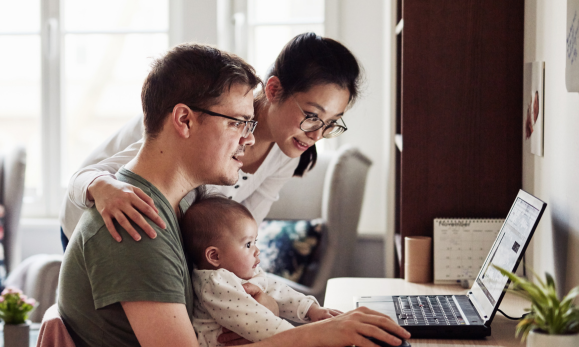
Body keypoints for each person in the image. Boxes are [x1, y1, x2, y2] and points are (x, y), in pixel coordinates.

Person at [58, 43, 410, 347]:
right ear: (185, 120)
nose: (251, 137)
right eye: (239, 123)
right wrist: (312, 335)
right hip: (100, 212)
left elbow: (239, 247)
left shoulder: (190, 202)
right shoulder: (138, 219)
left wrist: (263, 306)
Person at [59, 32, 362, 249]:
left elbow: (242, 228)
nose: (317, 135)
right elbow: (82, 178)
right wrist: (103, 187)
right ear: (273, 89)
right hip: (88, 216)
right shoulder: (206, 121)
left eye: (331, 124)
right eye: (311, 115)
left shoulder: (286, 151)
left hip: (153, 229)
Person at [182, 194, 341, 347]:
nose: (257, 251)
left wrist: (312, 310)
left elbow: (278, 290)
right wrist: (305, 341)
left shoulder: (244, 274)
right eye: (248, 244)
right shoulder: (215, 284)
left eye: (255, 241)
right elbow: (255, 320)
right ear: (214, 256)